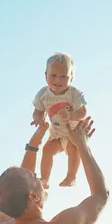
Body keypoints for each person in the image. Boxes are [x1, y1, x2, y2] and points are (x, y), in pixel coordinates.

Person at [31, 52, 87, 189]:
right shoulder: (43, 94)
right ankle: (44, 179)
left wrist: (71, 116)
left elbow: (83, 113)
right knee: (47, 149)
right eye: (53, 75)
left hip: (72, 132)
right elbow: (38, 111)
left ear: (71, 78)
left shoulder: (74, 94)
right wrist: (38, 119)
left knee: (74, 149)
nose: (58, 80)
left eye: (64, 76)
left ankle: (71, 176)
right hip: (56, 133)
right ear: (46, 75)